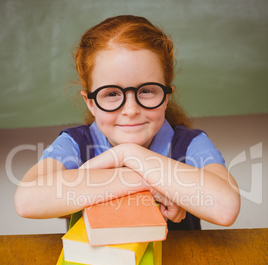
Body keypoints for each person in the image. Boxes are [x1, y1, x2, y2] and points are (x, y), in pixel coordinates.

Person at [15, 15, 240, 229]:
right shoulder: (75, 144)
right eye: (111, 94)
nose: (131, 110)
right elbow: (26, 200)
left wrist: (127, 155)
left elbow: (225, 208)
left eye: (146, 91)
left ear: (166, 97)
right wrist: (148, 182)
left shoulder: (190, 144)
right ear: (91, 103)